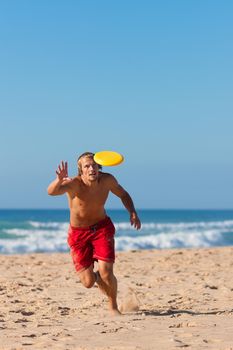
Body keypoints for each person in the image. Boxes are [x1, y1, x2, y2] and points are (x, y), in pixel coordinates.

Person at [47, 152, 141, 315]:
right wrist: (59, 180)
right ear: (81, 170)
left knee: (107, 271)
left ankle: (113, 306)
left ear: (99, 166)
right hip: (78, 234)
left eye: (94, 165)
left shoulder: (107, 180)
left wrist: (132, 212)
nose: (92, 169)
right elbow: (51, 192)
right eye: (87, 166)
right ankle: (97, 278)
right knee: (88, 282)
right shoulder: (74, 184)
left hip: (101, 228)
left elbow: (123, 194)